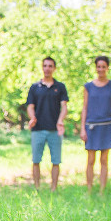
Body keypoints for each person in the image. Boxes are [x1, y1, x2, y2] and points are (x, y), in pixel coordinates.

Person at [26, 57, 69, 191]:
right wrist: (32, 118)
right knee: (36, 160)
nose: (47, 68)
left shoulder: (60, 87)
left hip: (55, 130)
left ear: (54, 68)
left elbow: (64, 107)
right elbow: (30, 106)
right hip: (38, 130)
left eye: (50, 66)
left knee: (56, 161)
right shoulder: (35, 87)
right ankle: (37, 187)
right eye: (45, 65)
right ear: (42, 67)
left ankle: (53, 188)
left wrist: (60, 120)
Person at [80, 55, 111, 194]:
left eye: (103, 66)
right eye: (99, 66)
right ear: (96, 68)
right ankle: (89, 189)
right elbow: (84, 108)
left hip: (107, 125)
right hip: (91, 126)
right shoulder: (88, 87)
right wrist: (82, 128)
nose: (101, 69)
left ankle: (102, 191)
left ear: (107, 68)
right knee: (90, 159)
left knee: (104, 160)